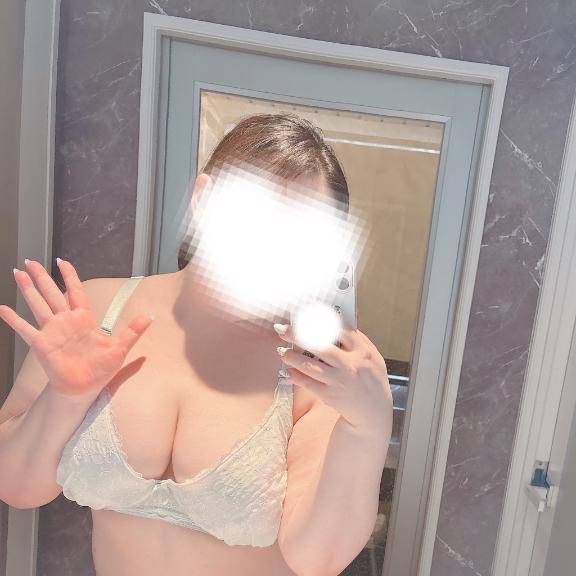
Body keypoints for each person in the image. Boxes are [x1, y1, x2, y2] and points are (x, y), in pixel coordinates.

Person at [0, 113, 393, 576]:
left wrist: (367, 426)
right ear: (204, 199)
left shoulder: (321, 366)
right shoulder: (99, 311)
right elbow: (17, 486)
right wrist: (65, 398)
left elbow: (317, 558)